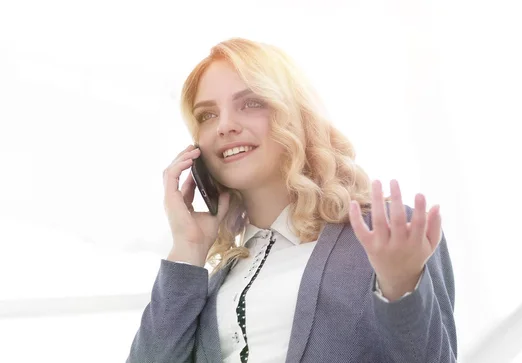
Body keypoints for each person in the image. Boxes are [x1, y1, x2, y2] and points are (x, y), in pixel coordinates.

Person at [127, 38, 457, 363]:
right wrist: (188, 247)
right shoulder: (213, 281)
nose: (225, 126)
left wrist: (401, 286)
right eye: (207, 115)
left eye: (250, 103)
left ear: (297, 115)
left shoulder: (386, 233)